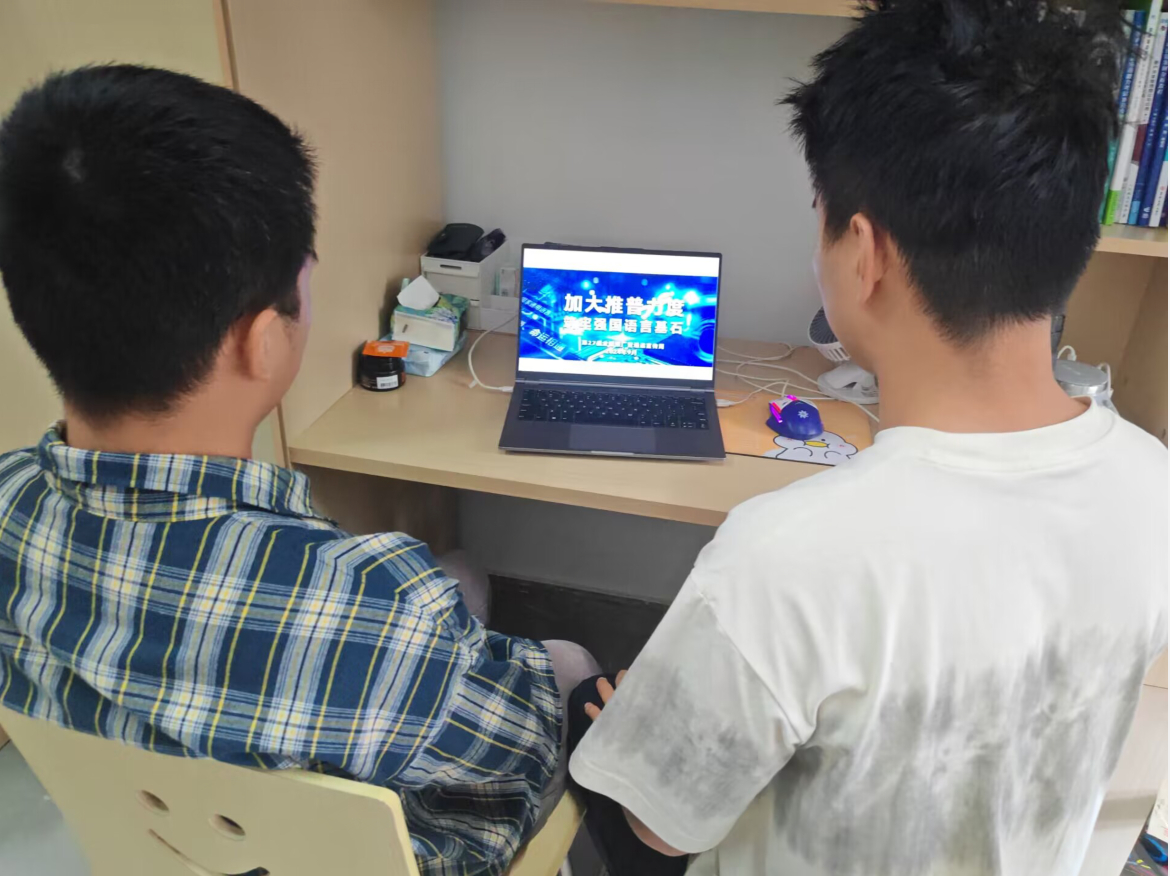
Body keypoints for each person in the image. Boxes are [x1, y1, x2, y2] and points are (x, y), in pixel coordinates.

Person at [567, 2, 1168, 875]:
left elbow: (659, 830)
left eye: (819, 215)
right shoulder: (1152, 483)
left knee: (584, 701)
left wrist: (639, 728)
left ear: (865, 252)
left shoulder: (783, 560)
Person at [0, 65, 597, 876]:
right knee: (565, 665)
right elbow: (518, 755)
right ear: (260, 340)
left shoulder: (9, 500)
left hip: (160, 842)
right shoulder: (379, 607)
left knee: (458, 578)